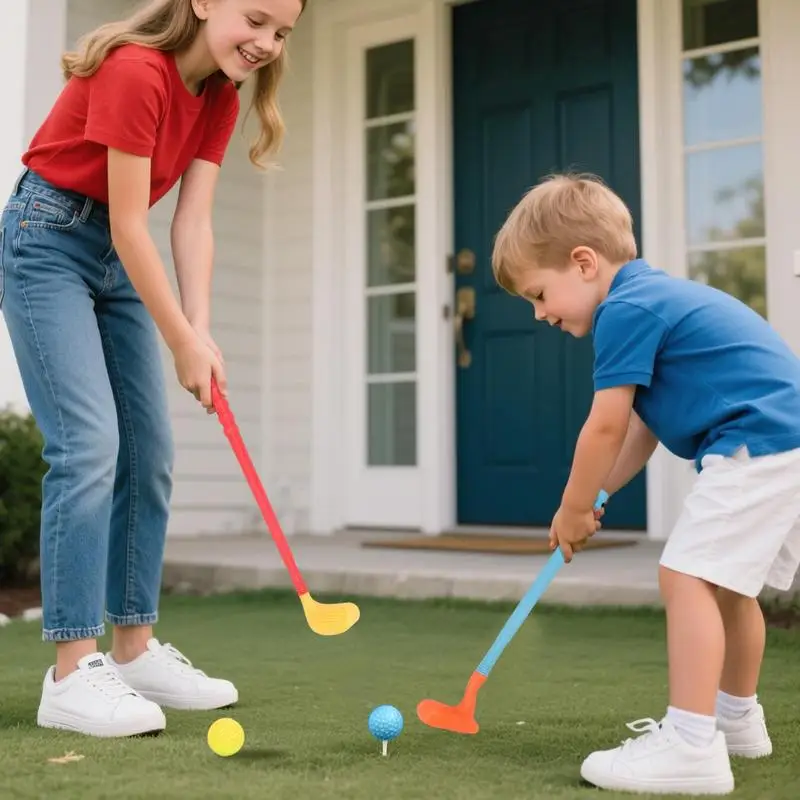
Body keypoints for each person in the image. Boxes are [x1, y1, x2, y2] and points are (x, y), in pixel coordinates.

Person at [0, 0, 305, 738]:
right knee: (88, 446)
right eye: (255, 19)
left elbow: (192, 220)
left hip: (114, 256)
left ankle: (133, 652)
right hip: (48, 241)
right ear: (203, 3)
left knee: (151, 453)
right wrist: (179, 342)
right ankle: (70, 674)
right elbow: (132, 221)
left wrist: (199, 331)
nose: (266, 42)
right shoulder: (136, 71)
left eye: (281, 32)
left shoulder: (219, 96)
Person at [490, 173, 800, 795]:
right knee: (729, 585)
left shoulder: (625, 311)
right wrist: (599, 497)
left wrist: (573, 506)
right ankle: (735, 722)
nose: (540, 313)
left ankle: (691, 744)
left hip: (756, 441)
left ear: (584, 263)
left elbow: (604, 426)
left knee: (686, 575)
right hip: (781, 440)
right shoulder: (652, 298)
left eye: (539, 294)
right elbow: (641, 428)